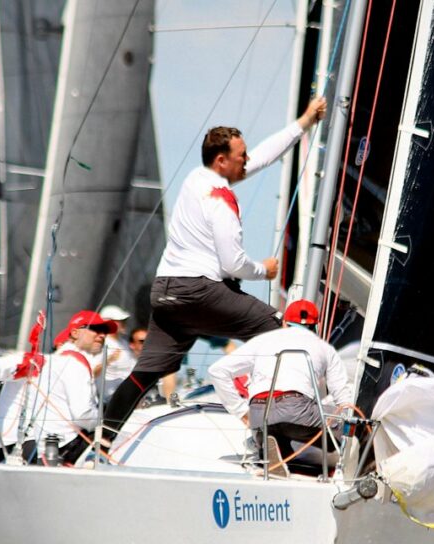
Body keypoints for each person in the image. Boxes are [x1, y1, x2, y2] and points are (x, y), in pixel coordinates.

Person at [103, 96, 328, 435]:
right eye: (241, 155)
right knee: (284, 334)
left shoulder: (196, 179)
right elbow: (233, 263)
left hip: (165, 293)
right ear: (222, 161)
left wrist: (304, 123)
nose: (247, 160)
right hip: (199, 291)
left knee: (144, 375)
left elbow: (262, 157)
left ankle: (95, 444)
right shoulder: (221, 198)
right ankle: (288, 429)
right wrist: (263, 270)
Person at [207, 299, 353, 471]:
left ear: (284, 323)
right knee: (350, 427)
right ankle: (351, 473)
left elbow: (217, 371)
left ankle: (275, 455)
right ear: (317, 326)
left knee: (280, 435)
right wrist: (347, 421)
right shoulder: (324, 348)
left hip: (259, 414)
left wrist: (241, 412)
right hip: (296, 411)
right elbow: (344, 399)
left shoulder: (263, 341)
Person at [0, 310, 116, 464]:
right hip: (31, 445)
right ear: (74, 334)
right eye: (96, 329)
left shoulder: (50, 363)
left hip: (19, 444)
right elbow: (82, 414)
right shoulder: (66, 363)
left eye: (104, 331)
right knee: (108, 435)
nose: (102, 335)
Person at [96, 305, 137, 400]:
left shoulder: (124, 342)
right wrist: (108, 360)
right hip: (110, 399)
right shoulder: (101, 343)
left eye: (124, 320)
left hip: (130, 394)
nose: (124, 323)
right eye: (120, 321)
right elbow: (94, 371)